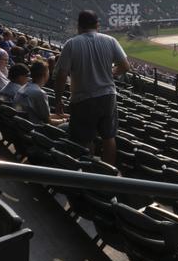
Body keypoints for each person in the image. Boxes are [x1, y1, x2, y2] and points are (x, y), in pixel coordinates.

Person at [54, 10, 130, 165]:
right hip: (108, 96)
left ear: (79, 26)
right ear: (97, 25)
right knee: (109, 137)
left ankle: (89, 172)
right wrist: (110, 73)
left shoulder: (71, 44)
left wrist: (58, 99)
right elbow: (125, 66)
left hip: (83, 98)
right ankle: (109, 173)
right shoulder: (110, 40)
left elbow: (61, 75)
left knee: (85, 138)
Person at [14, 60, 68, 128]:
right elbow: (48, 121)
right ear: (45, 74)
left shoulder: (23, 87)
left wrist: (63, 116)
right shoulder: (39, 93)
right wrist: (65, 120)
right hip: (35, 130)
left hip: (22, 126)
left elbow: (44, 116)